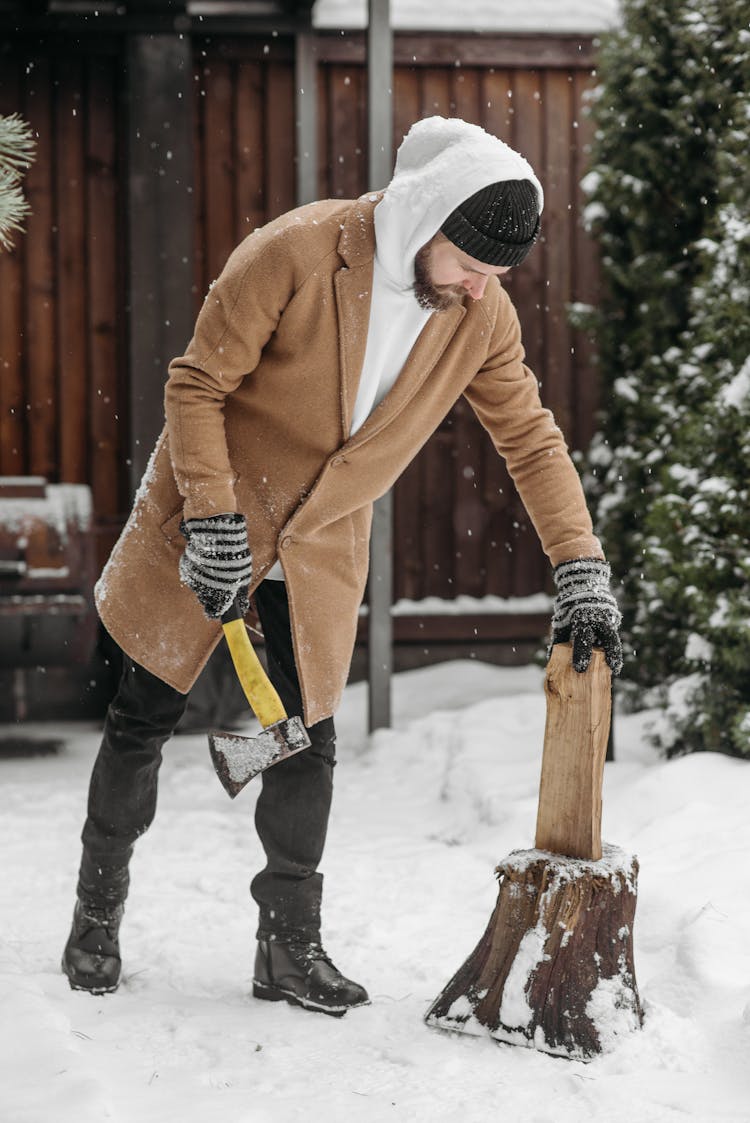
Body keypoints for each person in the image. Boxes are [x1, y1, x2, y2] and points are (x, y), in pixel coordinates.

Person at [62, 116, 622, 1016]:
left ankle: (288, 947)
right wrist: (211, 519)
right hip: (216, 516)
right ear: (428, 219)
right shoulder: (295, 251)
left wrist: (579, 563)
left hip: (318, 548)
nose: (482, 292)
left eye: (497, 277)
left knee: (308, 743)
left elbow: (530, 436)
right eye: (471, 266)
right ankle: (96, 914)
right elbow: (195, 384)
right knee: (142, 717)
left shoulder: (479, 315)